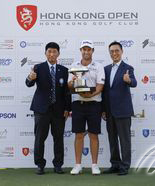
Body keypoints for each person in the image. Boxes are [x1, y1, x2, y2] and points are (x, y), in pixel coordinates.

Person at [25, 42, 71, 175]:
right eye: (49, 51)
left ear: (58, 54)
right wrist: (30, 77)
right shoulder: (38, 68)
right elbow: (28, 83)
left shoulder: (64, 70)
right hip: (41, 109)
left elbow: (67, 92)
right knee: (40, 138)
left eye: (54, 52)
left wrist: (67, 108)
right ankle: (40, 165)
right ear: (45, 53)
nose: (52, 54)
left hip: (59, 110)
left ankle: (58, 165)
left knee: (58, 138)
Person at [68, 40, 105, 175]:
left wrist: (90, 95)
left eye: (89, 49)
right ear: (80, 50)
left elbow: (100, 86)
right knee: (79, 135)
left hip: (94, 104)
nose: (86, 52)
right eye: (84, 49)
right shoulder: (74, 66)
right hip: (78, 104)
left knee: (93, 135)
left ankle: (94, 165)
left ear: (92, 51)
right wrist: (72, 83)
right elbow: (70, 86)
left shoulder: (98, 66)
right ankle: (78, 165)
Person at [102, 41, 137, 176]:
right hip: (109, 111)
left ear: (122, 52)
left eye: (117, 50)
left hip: (123, 111)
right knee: (112, 139)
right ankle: (115, 164)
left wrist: (128, 80)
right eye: (112, 51)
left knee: (124, 140)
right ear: (109, 53)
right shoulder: (105, 69)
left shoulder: (128, 68)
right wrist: (103, 110)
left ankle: (125, 166)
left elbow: (134, 83)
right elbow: (104, 91)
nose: (114, 53)